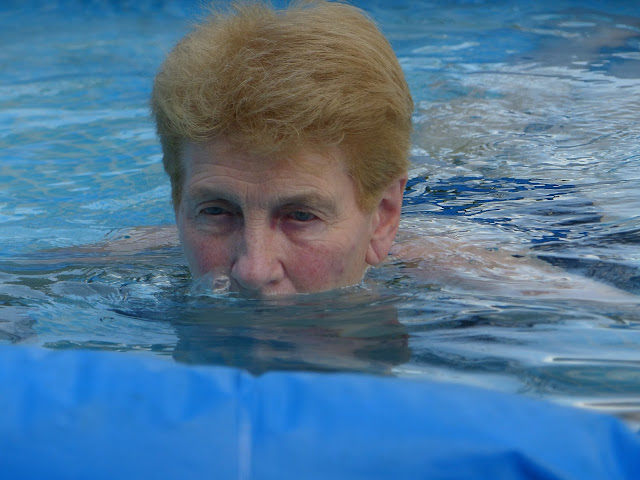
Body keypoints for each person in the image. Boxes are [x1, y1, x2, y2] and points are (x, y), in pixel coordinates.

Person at [150, 0, 411, 296]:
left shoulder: (450, 297)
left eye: (301, 216)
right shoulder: (116, 273)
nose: (253, 272)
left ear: (383, 217)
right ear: (177, 207)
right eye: (215, 211)